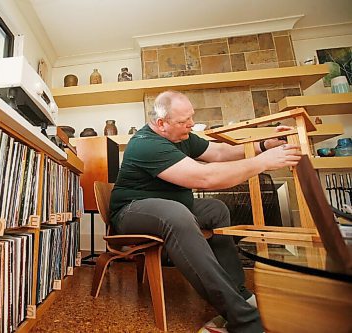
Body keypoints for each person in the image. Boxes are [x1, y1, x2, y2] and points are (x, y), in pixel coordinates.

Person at [109, 90, 302, 333]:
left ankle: (238, 292)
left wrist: (263, 145)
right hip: (131, 211)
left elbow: (220, 153)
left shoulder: (182, 136)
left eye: (191, 117)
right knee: (176, 215)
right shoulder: (145, 144)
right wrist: (263, 163)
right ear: (161, 123)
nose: (190, 124)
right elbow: (205, 177)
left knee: (216, 209)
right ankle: (244, 320)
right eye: (183, 121)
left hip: (170, 203)